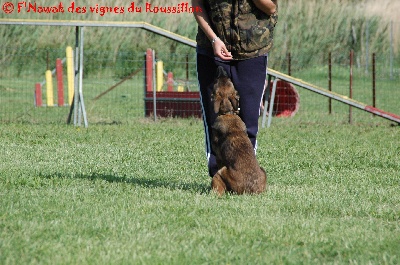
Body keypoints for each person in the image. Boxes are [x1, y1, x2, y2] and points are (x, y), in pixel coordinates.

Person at [192, 0, 278, 177]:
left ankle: (247, 176)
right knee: (214, 121)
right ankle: (218, 179)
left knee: (248, 120)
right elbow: (197, 5)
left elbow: (270, 8)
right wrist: (214, 39)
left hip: (252, 53)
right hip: (211, 49)